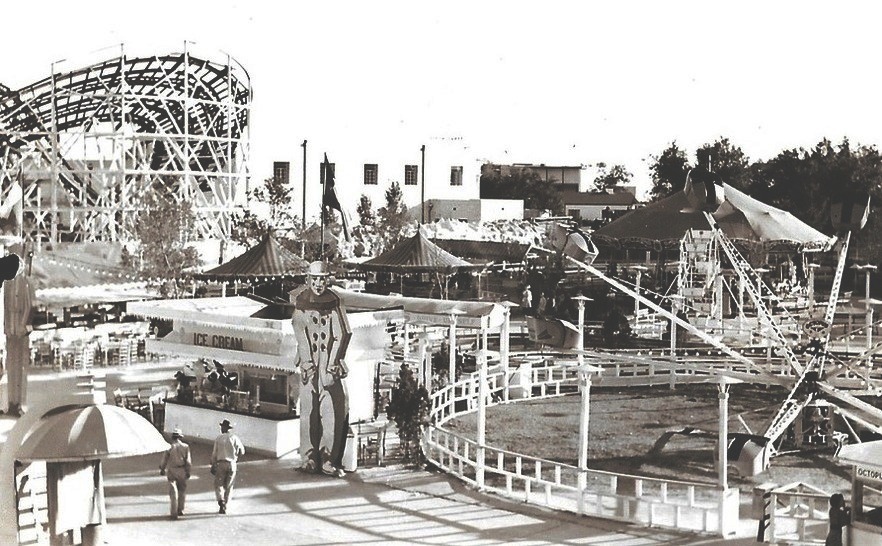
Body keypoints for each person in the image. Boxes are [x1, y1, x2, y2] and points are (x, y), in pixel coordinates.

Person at [292, 260, 352, 478]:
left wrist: (331, 365)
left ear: (328, 280)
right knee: (308, 413)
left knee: (331, 414)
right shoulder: (301, 303)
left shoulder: (334, 303)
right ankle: (309, 457)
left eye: (322, 279)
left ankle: (328, 459)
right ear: (308, 280)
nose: (318, 284)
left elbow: (342, 334)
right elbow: (300, 333)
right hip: (309, 367)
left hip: (328, 366)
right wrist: (306, 362)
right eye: (314, 279)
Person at [210, 419, 245, 514]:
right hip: (232, 463)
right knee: (229, 486)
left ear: (224, 428)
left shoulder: (219, 438)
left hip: (221, 463)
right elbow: (242, 451)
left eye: (222, 427)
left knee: (218, 484)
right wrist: (236, 457)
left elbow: (214, 453)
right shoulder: (234, 438)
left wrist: (213, 464)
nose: (221, 428)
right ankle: (226, 504)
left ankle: (221, 501)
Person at [159, 428, 191, 520]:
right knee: (182, 490)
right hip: (182, 470)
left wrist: (162, 468)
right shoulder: (185, 447)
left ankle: (173, 512)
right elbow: (188, 461)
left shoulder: (169, 447)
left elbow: (164, 460)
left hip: (172, 470)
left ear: (173, 437)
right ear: (180, 437)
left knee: (173, 492)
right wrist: (188, 471)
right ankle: (180, 509)